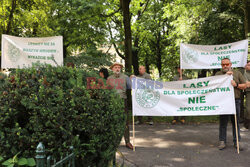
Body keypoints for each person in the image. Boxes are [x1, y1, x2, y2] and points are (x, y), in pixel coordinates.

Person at [215, 58, 246, 150]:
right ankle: (222, 141)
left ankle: (237, 142)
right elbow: (214, 85)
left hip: (235, 101)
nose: (225, 66)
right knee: (223, 123)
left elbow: (245, 85)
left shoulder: (237, 73)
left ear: (230, 64)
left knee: (235, 122)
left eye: (227, 64)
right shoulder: (218, 74)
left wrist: (236, 85)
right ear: (221, 65)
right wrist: (225, 77)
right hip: (223, 102)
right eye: (223, 64)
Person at [107, 62, 133, 150]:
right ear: (112, 69)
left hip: (123, 101)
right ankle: (114, 142)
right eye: (115, 67)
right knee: (113, 121)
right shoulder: (109, 78)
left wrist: (133, 79)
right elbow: (107, 91)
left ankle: (127, 141)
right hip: (113, 101)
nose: (117, 69)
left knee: (125, 121)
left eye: (119, 67)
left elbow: (131, 87)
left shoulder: (125, 77)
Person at [243, 60, 250, 129]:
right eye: (248, 65)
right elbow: (247, 84)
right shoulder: (245, 74)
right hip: (248, 92)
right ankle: (246, 126)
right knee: (248, 109)